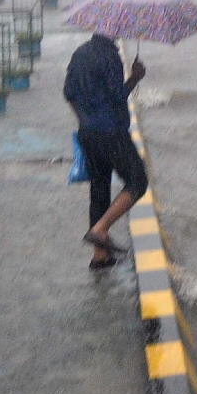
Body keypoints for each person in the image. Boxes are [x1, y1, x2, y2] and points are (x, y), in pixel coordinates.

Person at [63, 32, 147, 268]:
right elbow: (117, 97)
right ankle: (100, 229)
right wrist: (135, 77)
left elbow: (68, 93)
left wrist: (85, 121)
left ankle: (100, 256)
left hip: (87, 133)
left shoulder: (79, 53)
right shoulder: (110, 57)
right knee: (138, 182)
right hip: (112, 133)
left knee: (99, 188)